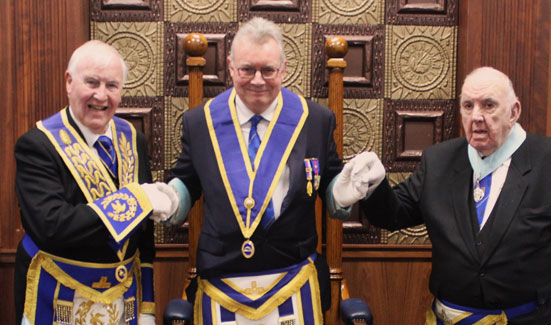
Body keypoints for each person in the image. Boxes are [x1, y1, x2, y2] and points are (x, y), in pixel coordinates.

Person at [334, 67, 551, 324]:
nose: (476, 117)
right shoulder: (439, 160)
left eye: (488, 105)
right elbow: (394, 214)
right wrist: (372, 184)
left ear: (514, 111)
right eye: (468, 106)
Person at [163, 17, 346, 325]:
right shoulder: (200, 123)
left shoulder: (315, 120)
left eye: (268, 70)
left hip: (292, 277)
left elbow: (330, 187)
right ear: (231, 67)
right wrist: (169, 199)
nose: (258, 80)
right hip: (223, 279)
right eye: (247, 69)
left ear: (284, 69)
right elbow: (187, 183)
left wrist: (345, 190)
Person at [14, 40, 178, 325]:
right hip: (57, 298)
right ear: (69, 82)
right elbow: (52, 227)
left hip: (122, 300)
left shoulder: (133, 139)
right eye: (91, 82)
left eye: (112, 86)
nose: (101, 95)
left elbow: (143, 237)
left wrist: (148, 306)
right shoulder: (38, 145)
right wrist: (137, 200)